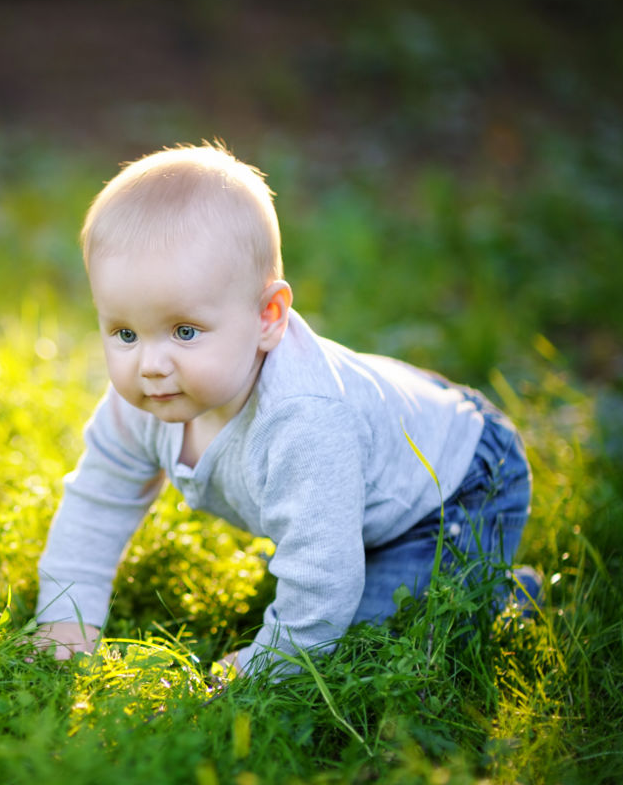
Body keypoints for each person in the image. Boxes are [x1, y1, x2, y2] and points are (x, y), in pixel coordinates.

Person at [32, 142, 538, 678]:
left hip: (454, 488)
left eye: (185, 331)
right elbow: (97, 502)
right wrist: (66, 621)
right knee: (334, 562)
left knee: (374, 650)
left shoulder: (303, 422)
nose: (151, 364)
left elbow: (322, 582)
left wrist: (265, 669)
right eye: (125, 333)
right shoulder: (141, 403)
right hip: (371, 464)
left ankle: (503, 599)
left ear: (269, 316)